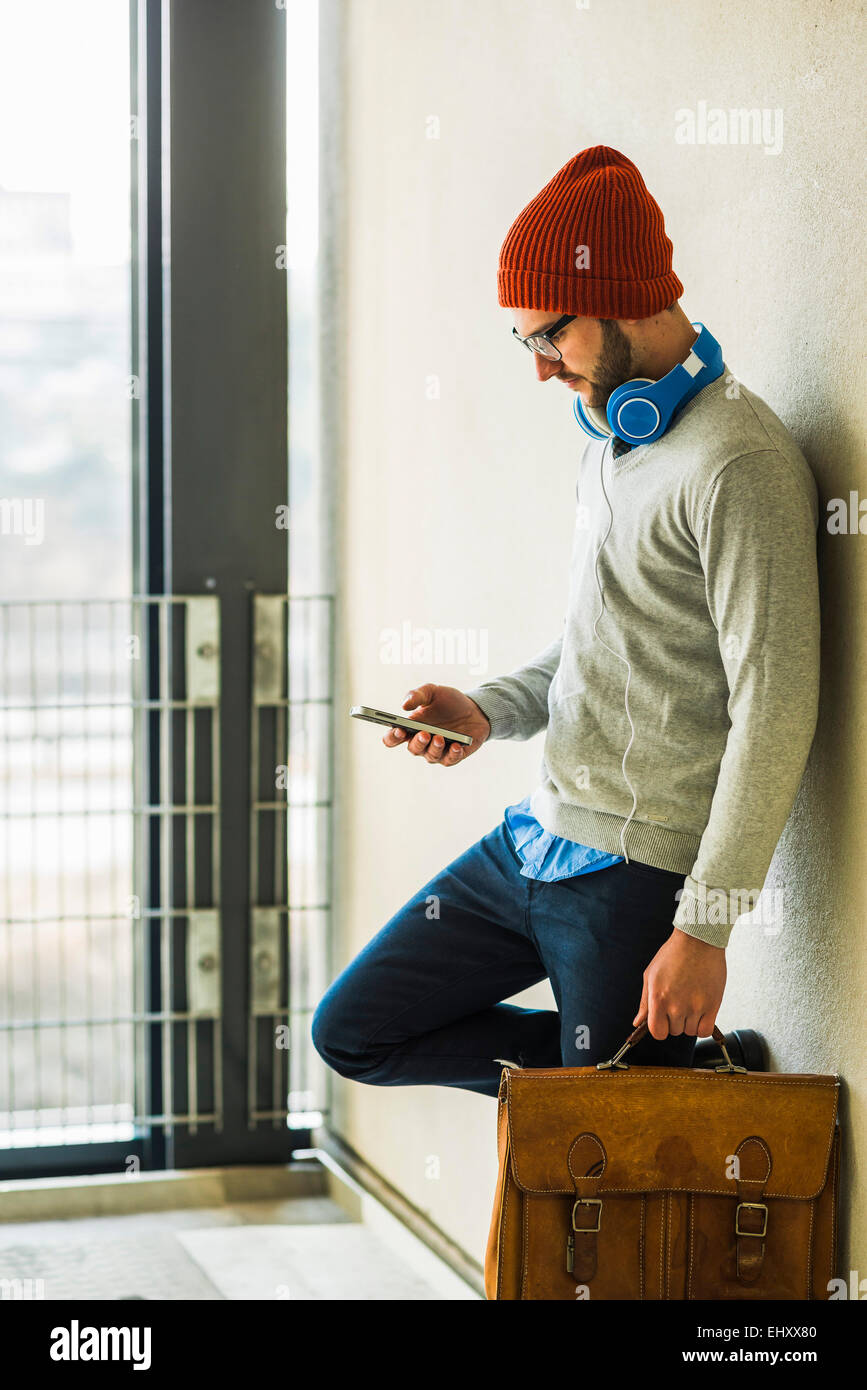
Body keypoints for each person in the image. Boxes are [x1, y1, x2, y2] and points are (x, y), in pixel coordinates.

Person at [312, 145, 821, 1097]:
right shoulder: (614, 441)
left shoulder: (736, 463)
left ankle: (652, 1081)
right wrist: (487, 709)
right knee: (356, 1032)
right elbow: (607, 643)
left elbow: (775, 707)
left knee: (606, 1165)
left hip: (634, 872)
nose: (542, 369)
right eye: (526, 345)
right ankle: (672, 1078)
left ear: (622, 293)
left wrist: (702, 927)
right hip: (533, 838)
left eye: (549, 336)